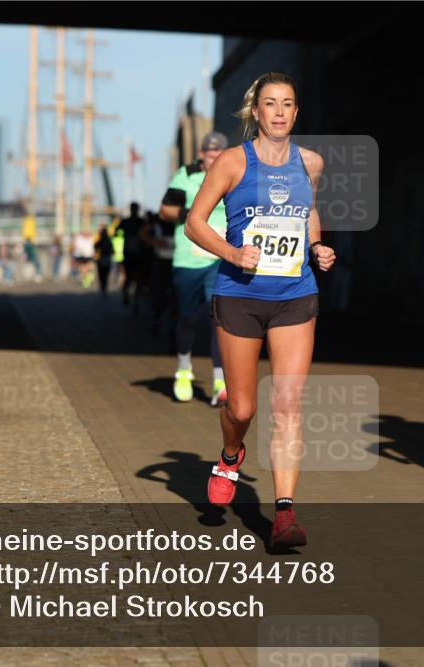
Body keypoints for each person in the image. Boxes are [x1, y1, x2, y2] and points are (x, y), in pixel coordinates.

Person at [185, 72, 336, 549]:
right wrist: (232, 254)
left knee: (288, 405)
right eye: (270, 103)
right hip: (240, 295)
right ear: (256, 111)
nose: (279, 112)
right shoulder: (233, 161)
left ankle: (284, 515)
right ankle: (230, 456)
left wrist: (317, 245)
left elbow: (307, 211)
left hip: (295, 294)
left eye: (287, 104)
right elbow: (194, 223)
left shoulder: (310, 162)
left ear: (296, 111)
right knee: (242, 407)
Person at [159, 131, 229, 406]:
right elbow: (165, 210)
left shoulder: (233, 174)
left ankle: (220, 381)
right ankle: (184, 370)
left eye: (218, 155)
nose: (213, 160)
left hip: (220, 258)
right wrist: (192, 214)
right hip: (189, 258)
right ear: (201, 154)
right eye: (209, 155)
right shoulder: (185, 176)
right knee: (188, 317)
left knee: (219, 317)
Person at [141, 210, 175, 336]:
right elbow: (143, 232)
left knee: (176, 294)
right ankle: (157, 317)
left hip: (178, 262)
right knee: (159, 292)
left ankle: (173, 323)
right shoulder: (157, 219)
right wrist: (154, 242)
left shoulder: (184, 216)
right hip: (160, 261)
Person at [120, 202, 147, 311]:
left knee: (129, 276)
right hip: (139, 254)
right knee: (138, 278)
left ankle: (126, 294)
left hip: (128, 253)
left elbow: (116, 232)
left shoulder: (125, 222)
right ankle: (136, 299)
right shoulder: (142, 221)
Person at [93, 223, 113, 295]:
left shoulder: (101, 241)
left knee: (101, 274)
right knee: (105, 274)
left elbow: (95, 247)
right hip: (106, 259)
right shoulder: (109, 242)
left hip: (102, 259)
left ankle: (103, 286)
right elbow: (113, 251)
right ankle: (104, 286)